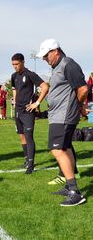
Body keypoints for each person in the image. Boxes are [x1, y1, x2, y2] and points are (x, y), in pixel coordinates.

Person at [36, 38, 87, 206]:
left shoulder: (68, 64)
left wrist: (77, 105)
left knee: (57, 150)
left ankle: (75, 192)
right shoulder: (58, 66)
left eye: (46, 55)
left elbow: (83, 89)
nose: (44, 59)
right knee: (65, 148)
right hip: (58, 115)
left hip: (63, 116)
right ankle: (68, 185)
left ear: (55, 51)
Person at [11, 53, 49, 174]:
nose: (15, 67)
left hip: (28, 111)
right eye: (13, 64)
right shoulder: (13, 76)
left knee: (28, 136)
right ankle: (27, 160)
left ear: (23, 62)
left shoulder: (30, 74)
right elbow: (14, 89)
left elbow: (45, 87)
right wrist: (14, 101)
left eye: (17, 64)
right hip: (18, 110)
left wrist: (37, 103)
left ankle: (31, 165)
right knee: (21, 135)